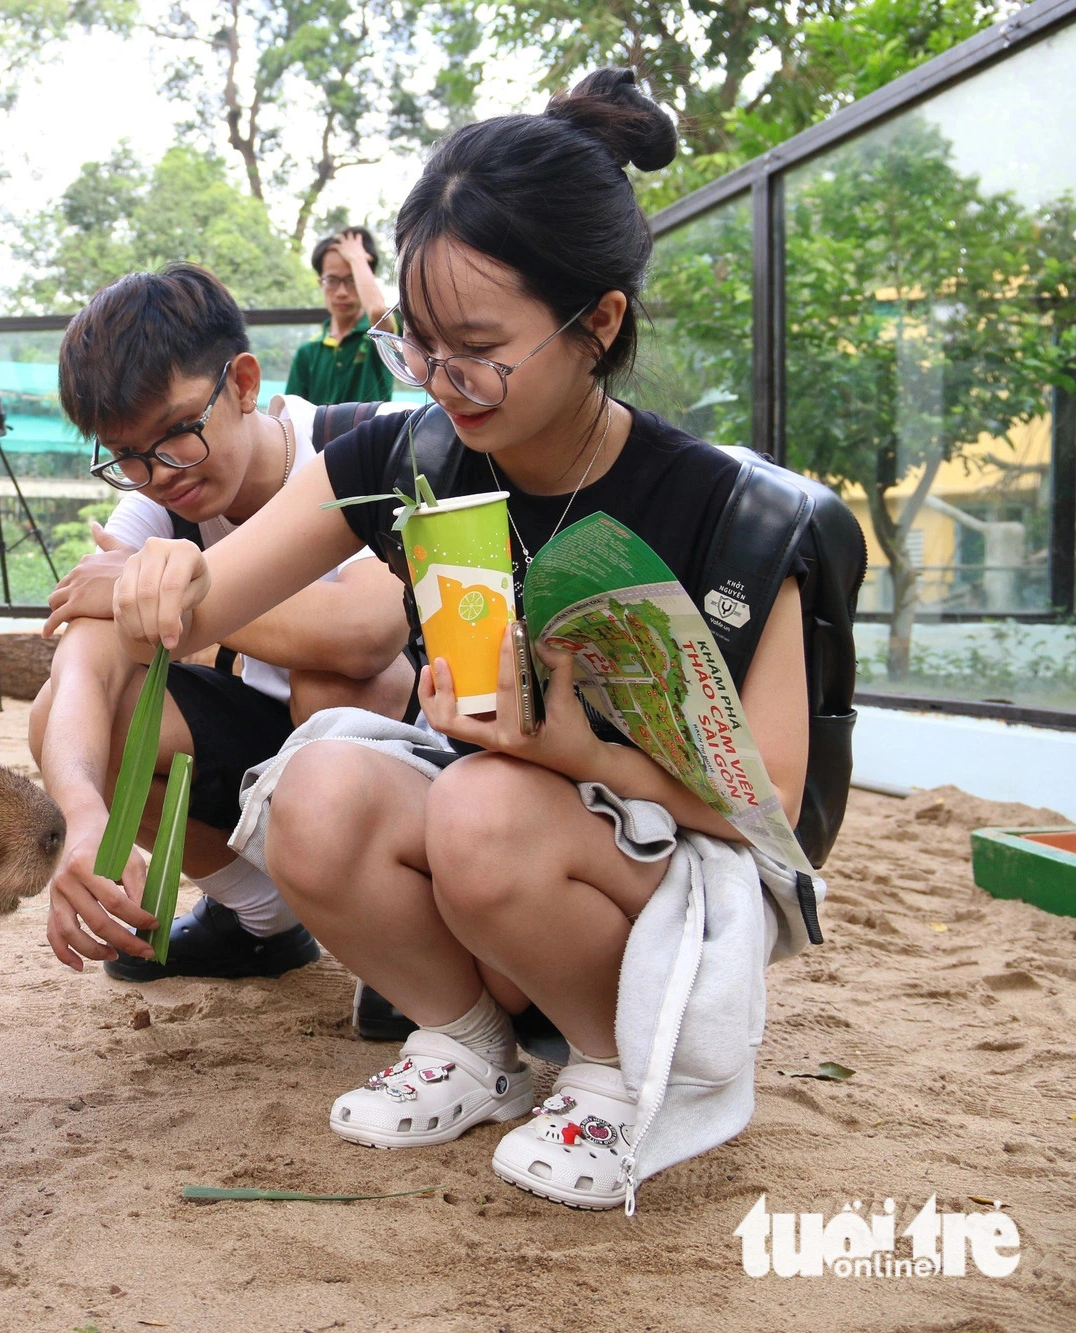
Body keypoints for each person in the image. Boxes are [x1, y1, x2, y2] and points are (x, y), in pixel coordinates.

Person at [108, 70, 813, 1210]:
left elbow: (769, 813)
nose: (442, 384)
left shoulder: (720, 512)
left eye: (476, 348)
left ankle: (611, 1070)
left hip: (666, 864)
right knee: (316, 786)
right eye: (419, 347)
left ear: (597, 323)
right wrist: (160, 571)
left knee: (477, 806)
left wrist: (569, 753)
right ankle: (467, 1042)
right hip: (506, 818)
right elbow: (205, 597)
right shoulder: (412, 455)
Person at [30, 264, 416, 982]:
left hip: (416, 750)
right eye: (128, 455)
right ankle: (263, 920)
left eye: (177, 430)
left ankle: (400, 944)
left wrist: (179, 608)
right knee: (67, 708)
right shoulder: (158, 500)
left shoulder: (360, 442)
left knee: (336, 686)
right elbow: (83, 659)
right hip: (260, 750)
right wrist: (79, 814)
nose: (159, 471)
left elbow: (365, 632)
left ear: (242, 382)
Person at [285, 227, 396, 407]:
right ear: (320, 283)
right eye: (332, 281)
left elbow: (376, 310)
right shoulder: (308, 352)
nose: (342, 292)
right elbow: (289, 416)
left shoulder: (376, 338)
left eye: (352, 280)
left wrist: (357, 259)